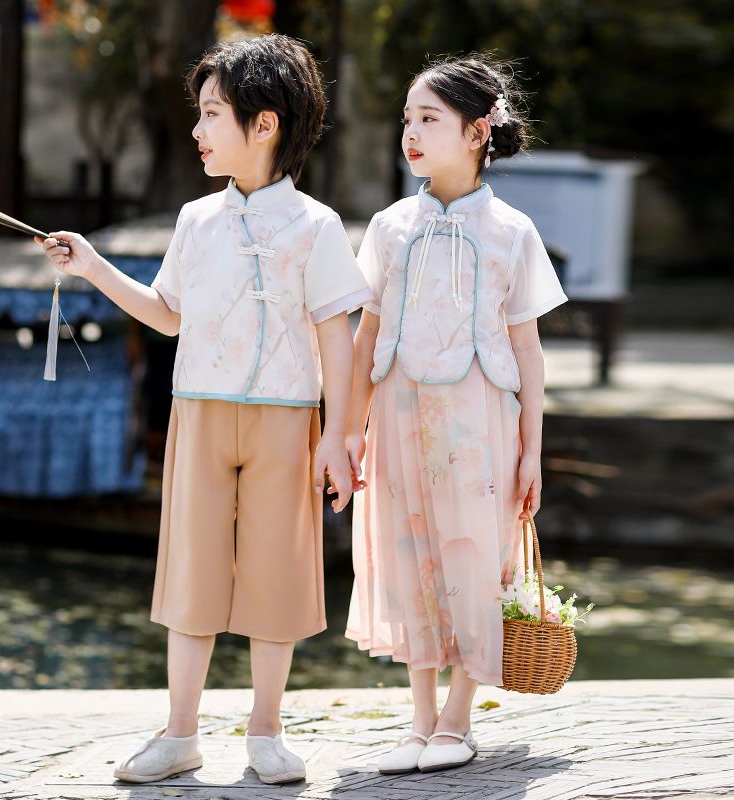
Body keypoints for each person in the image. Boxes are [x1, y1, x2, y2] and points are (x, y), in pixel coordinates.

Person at [37, 34, 372, 786]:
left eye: (213, 114)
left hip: (290, 418)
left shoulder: (317, 227)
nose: (197, 130)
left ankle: (267, 732)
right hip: (199, 414)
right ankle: (179, 732)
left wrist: (339, 438)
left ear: (265, 125)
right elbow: (166, 315)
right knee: (190, 572)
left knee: (279, 576)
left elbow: (339, 341)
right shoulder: (195, 220)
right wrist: (91, 266)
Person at [344, 54, 568, 775]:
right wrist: (347, 430)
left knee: (475, 559)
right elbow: (366, 333)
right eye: (407, 119)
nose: (410, 133)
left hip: (479, 418)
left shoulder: (512, 230)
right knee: (409, 555)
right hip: (399, 410)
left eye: (428, 119)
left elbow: (529, 352)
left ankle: (458, 718)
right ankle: (418, 719)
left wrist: (533, 449)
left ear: (478, 132)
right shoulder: (387, 226)